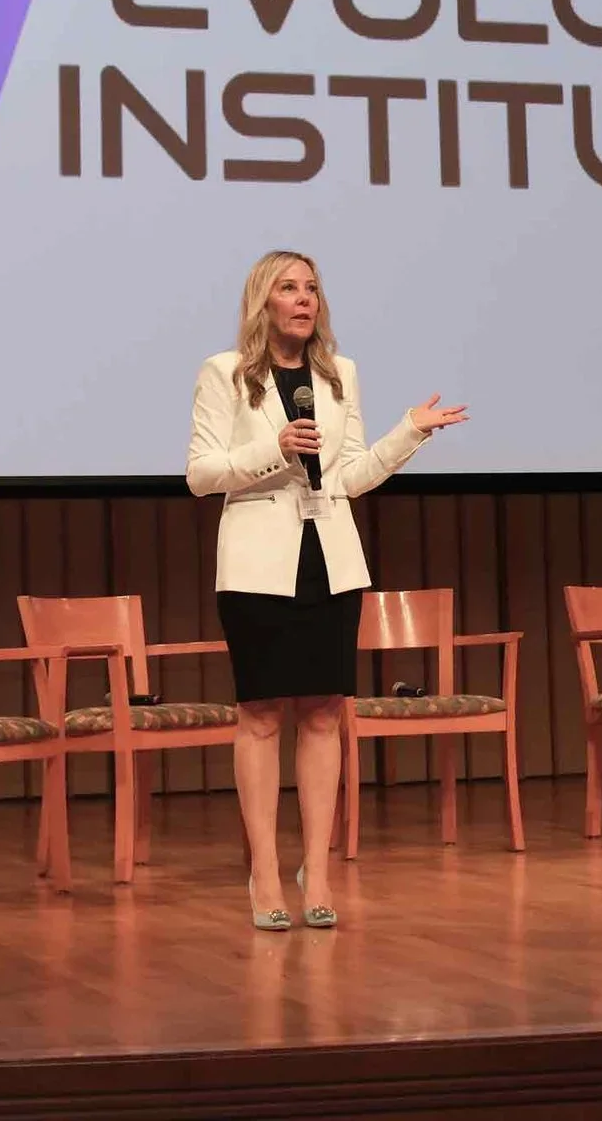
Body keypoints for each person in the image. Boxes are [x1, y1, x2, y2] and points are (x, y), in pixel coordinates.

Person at [185, 250, 468, 931]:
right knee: (260, 717)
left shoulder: (339, 376)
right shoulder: (226, 372)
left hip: (331, 561)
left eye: (311, 288)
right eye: (289, 287)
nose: (304, 298)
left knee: (322, 716)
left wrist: (409, 435)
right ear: (264, 301)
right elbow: (200, 474)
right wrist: (274, 448)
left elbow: (352, 475)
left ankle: (318, 868)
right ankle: (265, 872)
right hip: (257, 565)